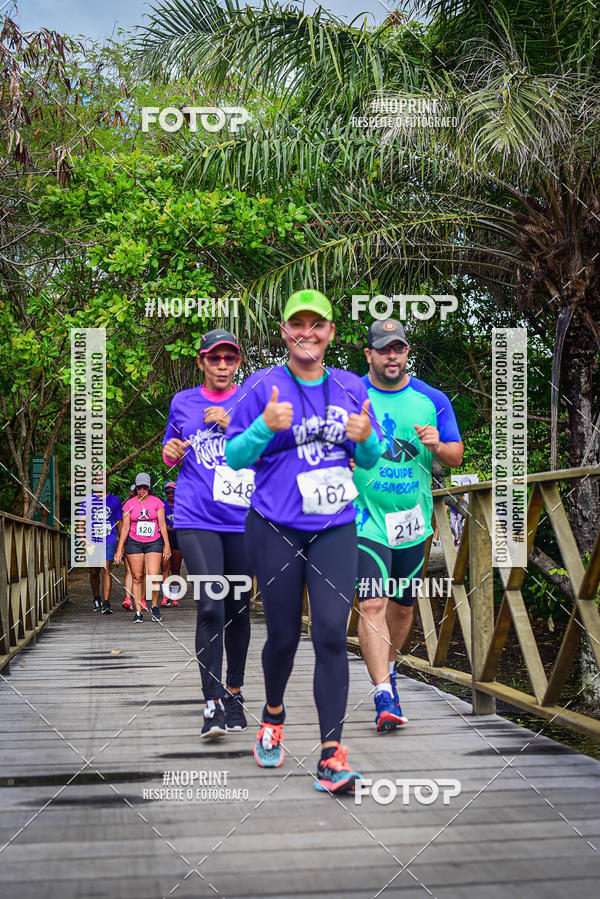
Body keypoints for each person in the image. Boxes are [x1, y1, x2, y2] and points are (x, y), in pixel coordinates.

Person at [226, 289, 382, 794]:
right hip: (275, 524)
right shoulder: (261, 385)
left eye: (318, 325)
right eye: (299, 324)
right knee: (285, 638)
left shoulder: (350, 385)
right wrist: (262, 430)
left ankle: (331, 755)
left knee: (334, 634)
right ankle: (273, 711)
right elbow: (232, 456)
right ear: (285, 332)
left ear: (332, 333)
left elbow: (374, 456)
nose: (308, 333)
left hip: (335, 525)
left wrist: (365, 438)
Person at [353, 319, 463, 731]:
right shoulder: (351, 394)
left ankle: (389, 669)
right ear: (370, 355)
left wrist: (437, 445)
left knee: (402, 607)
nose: (392, 355)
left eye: (398, 348)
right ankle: (383, 694)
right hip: (364, 520)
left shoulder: (431, 399)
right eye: (384, 349)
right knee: (372, 603)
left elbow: (456, 456)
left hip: (412, 523)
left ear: (406, 353)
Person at [162, 329, 253, 739]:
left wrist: (232, 423)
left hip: (243, 518)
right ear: (201, 361)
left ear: (237, 363)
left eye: (229, 359)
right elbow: (169, 448)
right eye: (214, 358)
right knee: (211, 604)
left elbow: (268, 448)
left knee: (238, 607)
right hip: (195, 515)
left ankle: (235, 691)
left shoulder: (250, 399)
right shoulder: (182, 401)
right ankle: (212, 701)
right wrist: (171, 451)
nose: (222, 365)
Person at [114, 473, 170, 623]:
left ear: (149, 487)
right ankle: (138, 611)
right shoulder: (129, 504)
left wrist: (167, 545)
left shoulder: (157, 502)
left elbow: (163, 525)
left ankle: (154, 606)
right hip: (134, 542)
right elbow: (125, 528)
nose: (142, 490)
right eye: (139, 487)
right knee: (137, 577)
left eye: (145, 487)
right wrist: (120, 549)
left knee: (153, 576)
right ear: (136, 487)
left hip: (154, 542)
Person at [81, 476, 122, 614]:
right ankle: (96, 598)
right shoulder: (87, 501)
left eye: (102, 480)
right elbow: (81, 521)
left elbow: (119, 522)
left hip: (108, 540)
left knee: (106, 569)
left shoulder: (114, 501)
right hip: (92, 541)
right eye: (97, 481)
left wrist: (122, 543)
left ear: (107, 482)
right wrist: (82, 538)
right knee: (94, 572)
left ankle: (106, 602)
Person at [161, 481, 183, 607]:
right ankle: (165, 596)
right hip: (165, 539)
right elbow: (161, 523)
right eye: (168, 491)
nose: (170, 493)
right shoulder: (162, 506)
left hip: (178, 539)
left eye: (172, 491)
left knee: (175, 569)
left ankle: (174, 595)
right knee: (164, 568)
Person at [122, 484, 137, 610]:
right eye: (132, 491)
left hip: (146, 541)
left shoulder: (150, 502)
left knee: (140, 572)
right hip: (129, 540)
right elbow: (123, 526)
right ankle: (128, 598)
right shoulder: (127, 505)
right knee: (129, 571)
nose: (134, 492)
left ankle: (140, 598)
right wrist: (121, 545)